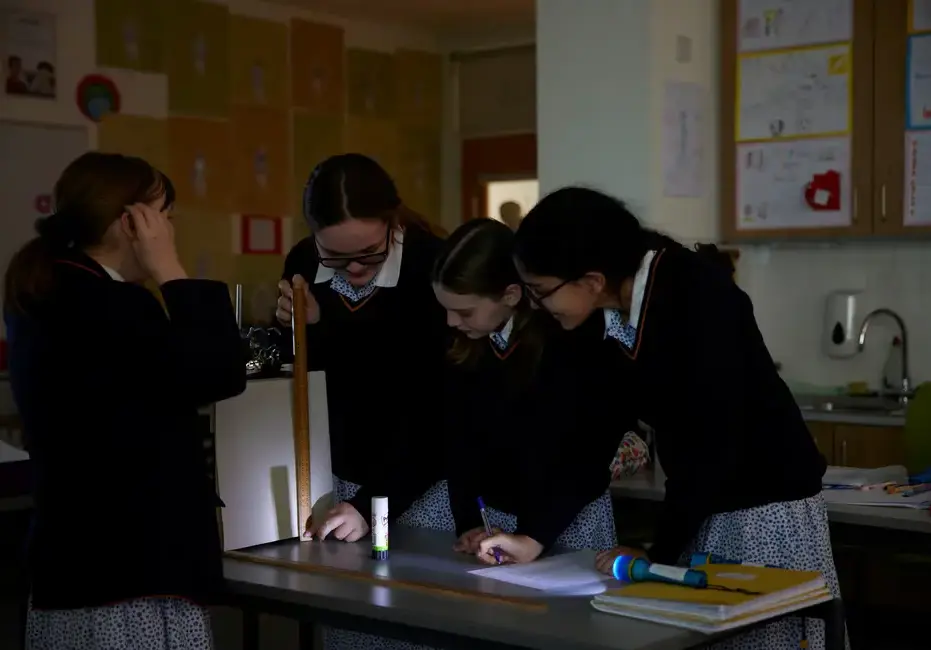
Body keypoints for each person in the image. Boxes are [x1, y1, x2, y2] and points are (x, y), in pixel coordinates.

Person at [512, 187, 839, 650]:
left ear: (591, 279)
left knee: (760, 636)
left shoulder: (696, 293)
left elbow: (714, 438)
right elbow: (592, 438)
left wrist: (656, 552)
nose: (537, 305)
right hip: (698, 502)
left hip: (762, 507)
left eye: (541, 292)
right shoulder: (597, 319)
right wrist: (534, 537)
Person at [3, 152, 247, 650]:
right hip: (132, 571)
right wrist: (171, 269)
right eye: (164, 217)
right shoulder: (112, 304)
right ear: (129, 222)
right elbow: (218, 371)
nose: (169, 230)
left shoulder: (49, 287)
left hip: (77, 561)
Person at [275, 153, 450, 650]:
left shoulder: (430, 265)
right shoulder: (303, 264)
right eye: (335, 255)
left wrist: (375, 501)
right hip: (342, 472)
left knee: (416, 621)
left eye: (369, 254)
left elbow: (431, 404)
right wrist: (294, 334)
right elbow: (299, 374)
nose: (353, 268)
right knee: (351, 621)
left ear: (393, 220)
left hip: (419, 477)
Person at [434, 218, 621, 566]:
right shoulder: (468, 345)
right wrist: (469, 522)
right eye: (446, 309)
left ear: (511, 295)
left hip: (564, 520)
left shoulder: (565, 341)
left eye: (463, 311)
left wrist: (534, 536)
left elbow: (585, 456)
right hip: (497, 521)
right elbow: (458, 441)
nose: (450, 322)